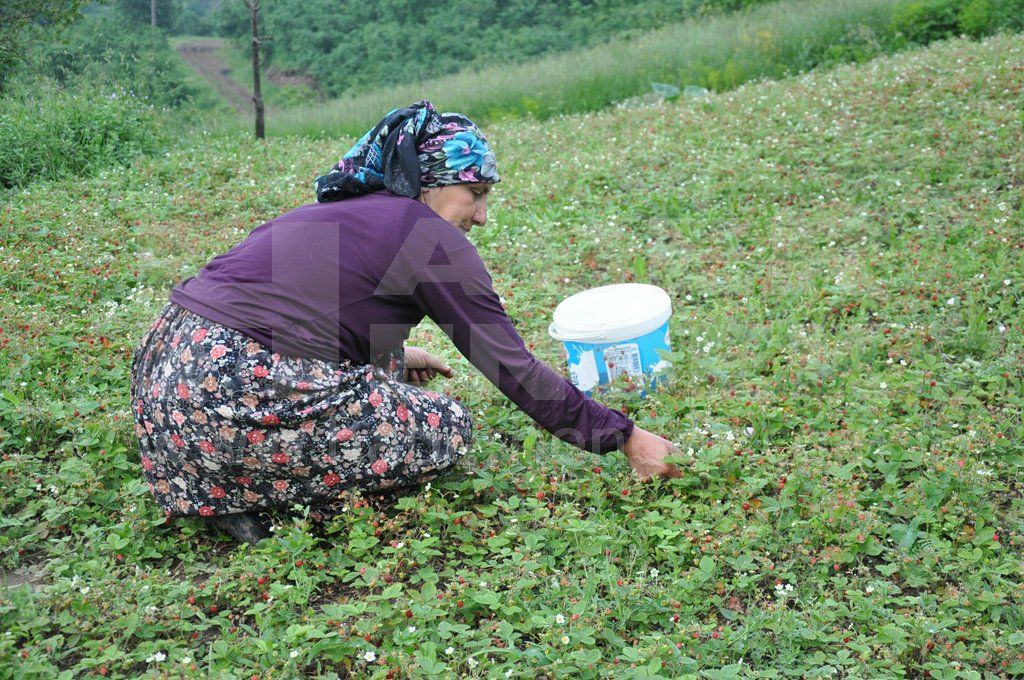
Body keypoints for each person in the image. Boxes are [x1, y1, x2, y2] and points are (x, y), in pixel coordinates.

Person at [130, 100, 682, 544]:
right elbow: (510, 366)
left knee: (363, 391)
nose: (482, 216)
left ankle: (229, 490)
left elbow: (301, 316)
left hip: (166, 400)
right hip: (242, 394)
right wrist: (624, 436)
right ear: (433, 183)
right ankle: (283, 503)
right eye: (477, 193)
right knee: (447, 424)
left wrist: (392, 358)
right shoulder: (429, 237)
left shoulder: (326, 213)